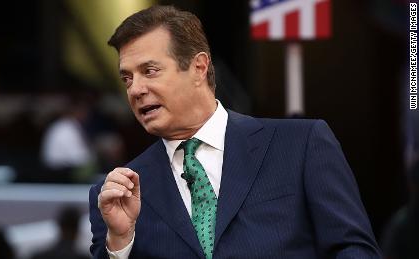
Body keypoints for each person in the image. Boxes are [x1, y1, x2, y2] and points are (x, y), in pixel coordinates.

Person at [89, 5, 381, 259]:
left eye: (149, 71)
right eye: (127, 78)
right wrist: (120, 243)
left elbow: (353, 249)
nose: (136, 89)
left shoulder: (301, 145)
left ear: (198, 68)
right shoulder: (118, 194)